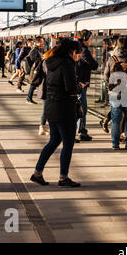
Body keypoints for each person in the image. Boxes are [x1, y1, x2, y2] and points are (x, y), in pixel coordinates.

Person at [30, 38, 86, 187]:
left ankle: (37, 173)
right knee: (67, 144)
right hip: (64, 109)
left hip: (51, 107)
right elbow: (70, 88)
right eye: (78, 54)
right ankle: (63, 177)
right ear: (73, 52)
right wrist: (80, 86)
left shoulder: (49, 62)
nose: (78, 57)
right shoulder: (67, 64)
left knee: (54, 141)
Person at [75, 30, 99, 141]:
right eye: (90, 39)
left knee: (79, 108)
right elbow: (94, 65)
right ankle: (80, 132)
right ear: (85, 38)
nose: (90, 41)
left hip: (78, 82)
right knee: (81, 108)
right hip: (80, 83)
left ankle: (81, 131)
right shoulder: (83, 50)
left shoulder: (78, 47)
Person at [26, 36, 45, 104]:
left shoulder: (39, 49)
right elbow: (33, 59)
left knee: (34, 84)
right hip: (36, 70)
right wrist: (42, 59)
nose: (43, 43)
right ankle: (28, 98)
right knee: (33, 84)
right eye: (42, 42)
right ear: (38, 42)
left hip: (38, 69)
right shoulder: (34, 50)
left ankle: (29, 98)